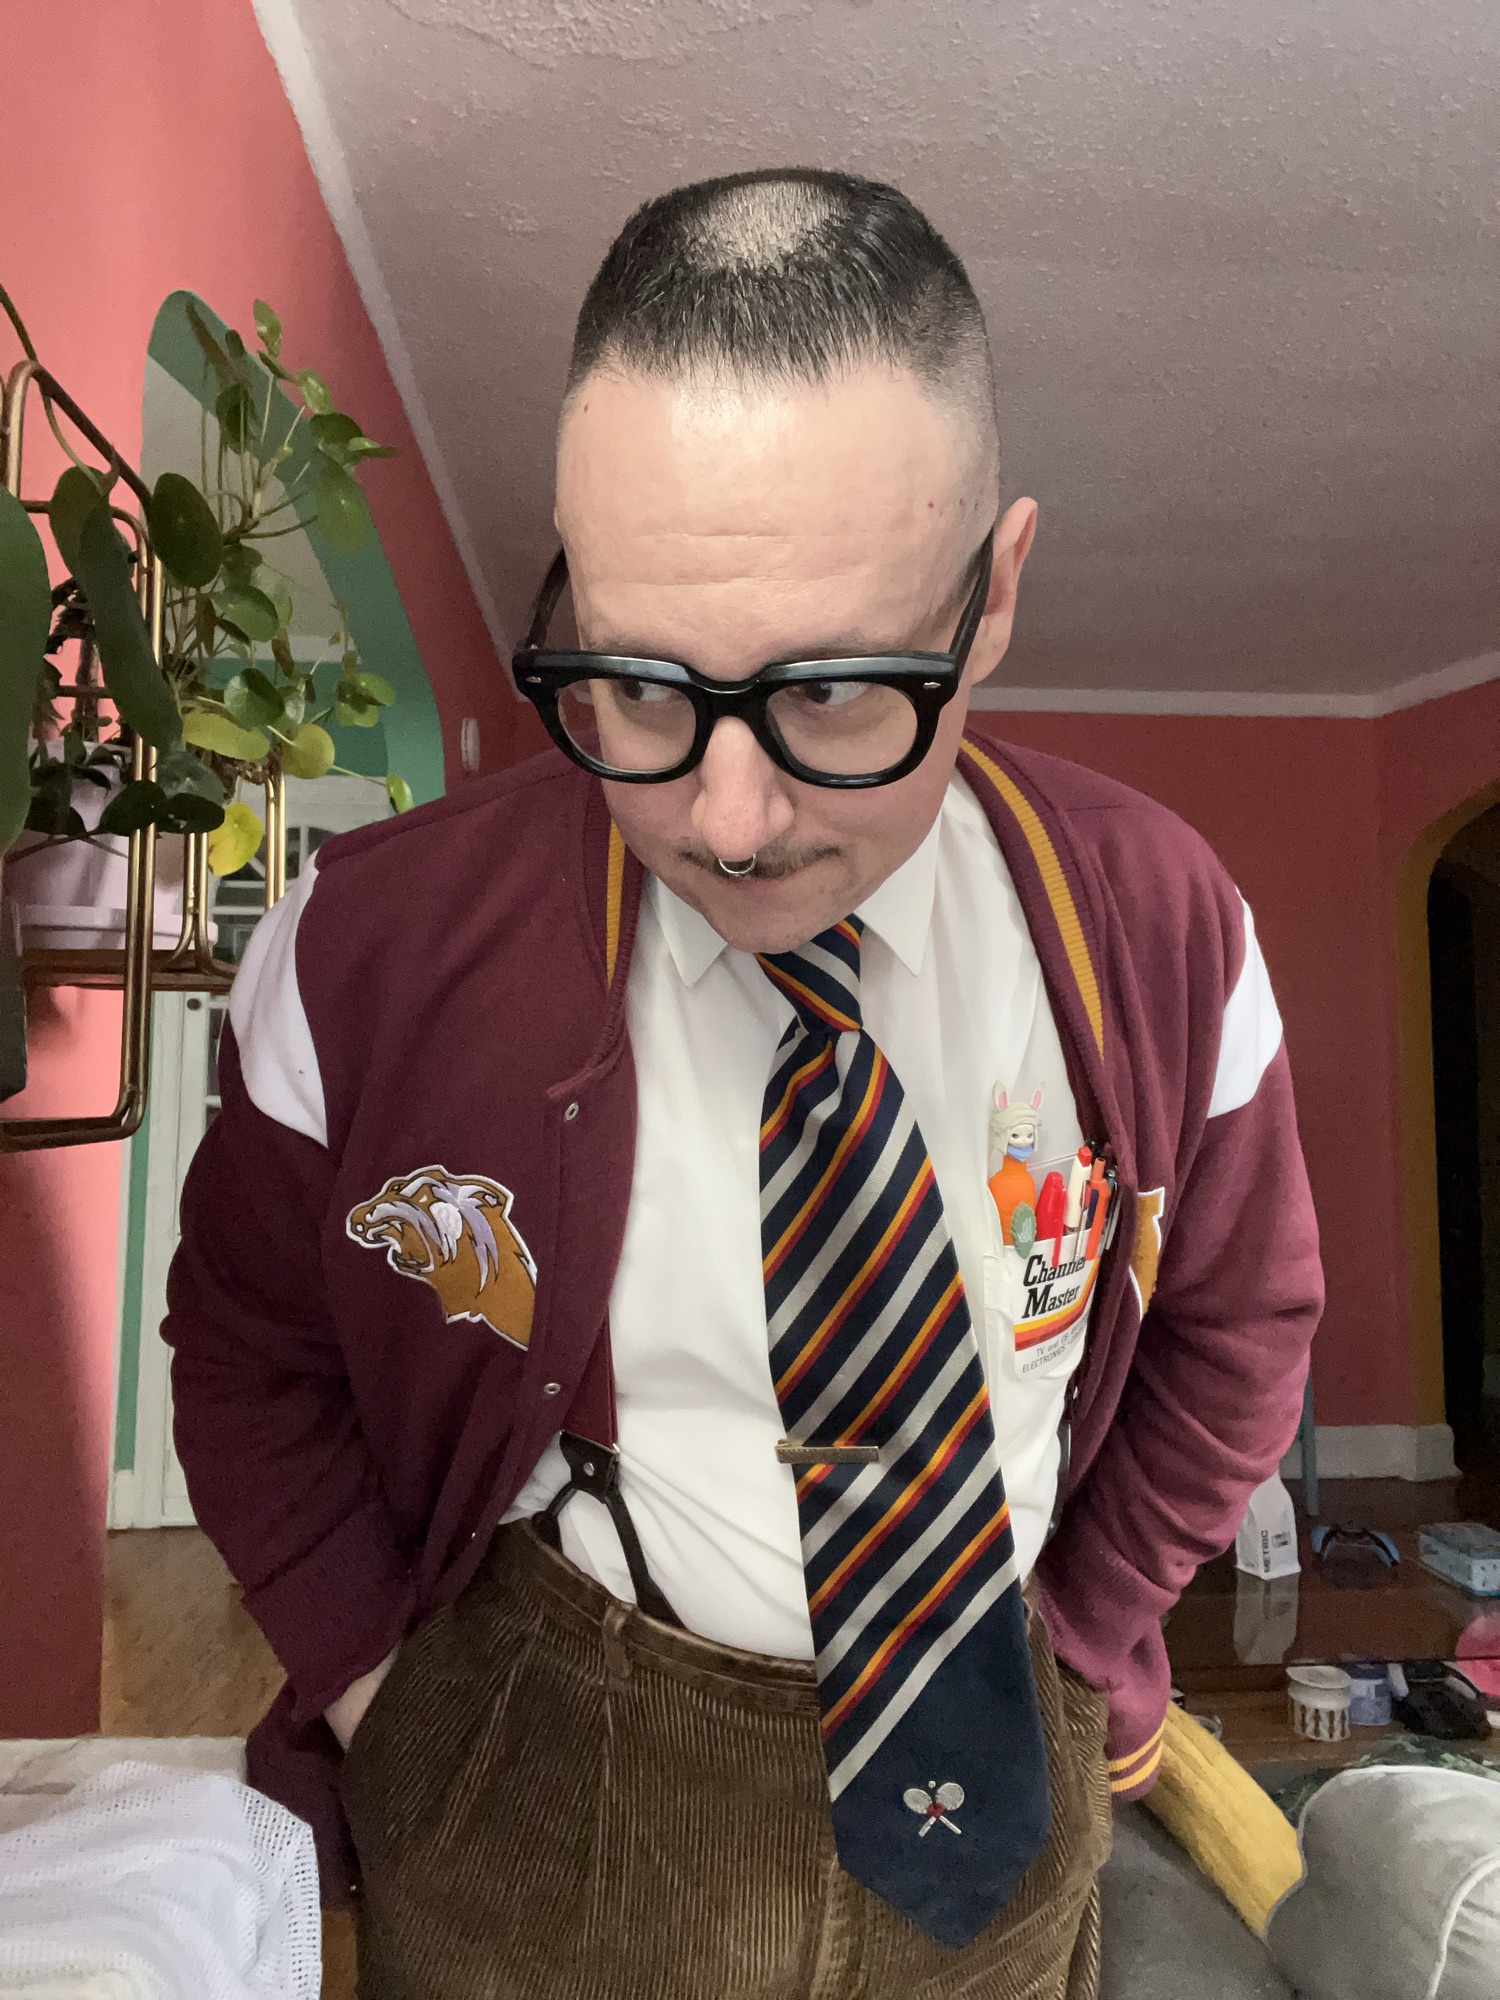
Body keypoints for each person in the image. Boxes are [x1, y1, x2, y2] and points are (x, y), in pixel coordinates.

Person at [165, 168, 1322, 1999]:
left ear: (995, 594)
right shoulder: (363, 952)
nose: (727, 816)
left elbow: (1241, 1326)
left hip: (999, 1781)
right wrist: (387, 1697)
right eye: (638, 686)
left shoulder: (1162, 929)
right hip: (538, 1791)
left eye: (836, 694)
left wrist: (1087, 1633)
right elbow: (245, 1353)